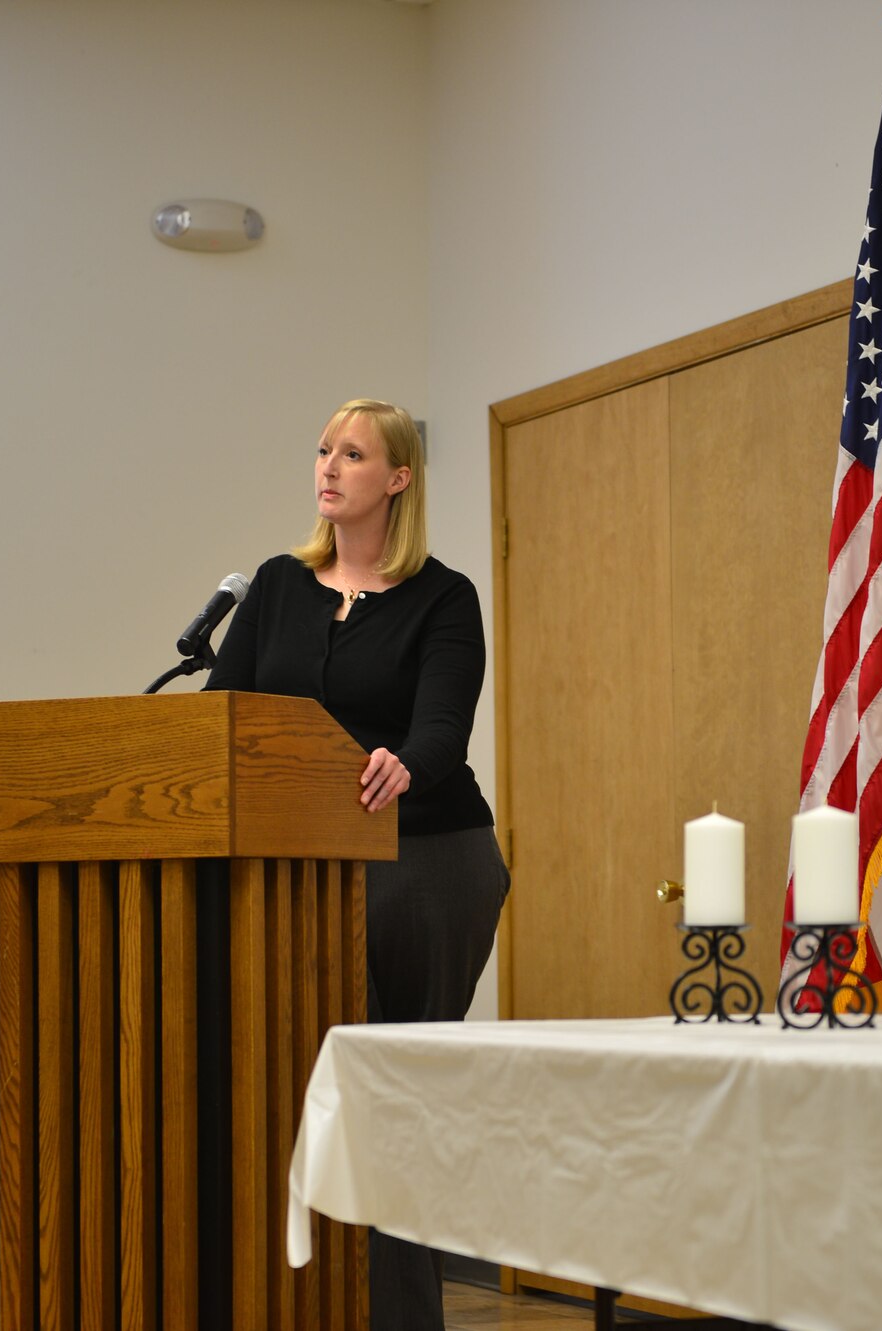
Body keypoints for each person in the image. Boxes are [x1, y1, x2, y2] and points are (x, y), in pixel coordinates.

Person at [206, 397, 507, 1331]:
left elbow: (442, 733)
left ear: (399, 478)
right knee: (296, 1098)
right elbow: (220, 715)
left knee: (389, 1106)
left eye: (354, 453)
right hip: (303, 870)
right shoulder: (276, 585)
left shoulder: (442, 597)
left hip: (426, 865)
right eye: (324, 450)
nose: (329, 467)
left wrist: (405, 761)